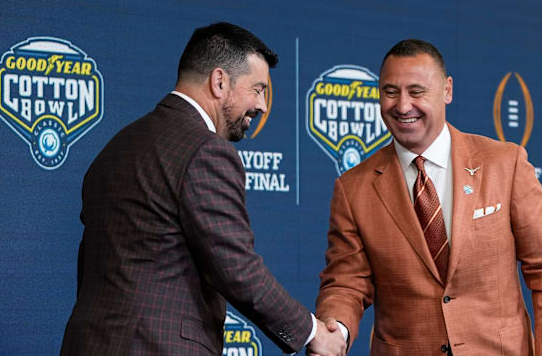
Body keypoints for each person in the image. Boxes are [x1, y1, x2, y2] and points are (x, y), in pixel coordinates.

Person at [60, 22, 345, 356]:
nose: (263, 105)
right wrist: (311, 333)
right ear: (220, 81)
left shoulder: (116, 148)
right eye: (257, 89)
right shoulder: (206, 150)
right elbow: (236, 269)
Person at [315, 39, 542, 356]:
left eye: (416, 91)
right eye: (390, 92)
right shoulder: (353, 188)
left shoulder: (505, 164)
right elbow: (346, 283)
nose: (402, 105)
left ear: (447, 90)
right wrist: (334, 329)